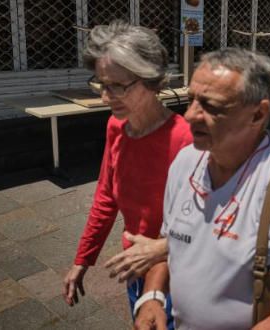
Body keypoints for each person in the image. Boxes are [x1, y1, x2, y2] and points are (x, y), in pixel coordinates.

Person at [133, 48, 270, 330]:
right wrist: (152, 296)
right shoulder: (185, 162)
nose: (190, 115)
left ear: (258, 114)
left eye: (211, 106)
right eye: (191, 99)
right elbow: (171, 241)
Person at [62, 21, 193, 329]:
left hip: (180, 276)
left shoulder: (186, 140)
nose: (107, 98)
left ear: (152, 80)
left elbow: (205, 224)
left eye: (118, 86)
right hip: (133, 266)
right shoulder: (116, 127)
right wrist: (83, 259)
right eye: (102, 84)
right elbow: (107, 195)